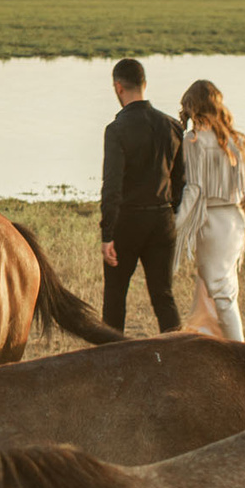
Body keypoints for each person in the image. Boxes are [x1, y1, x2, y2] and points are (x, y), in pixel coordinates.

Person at [100, 58, 184, 333]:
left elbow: (111, 186)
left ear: (118, 87)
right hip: (161, 219)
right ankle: (177, 356)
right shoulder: (172, 126)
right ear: (144, 84)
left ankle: (110, 360)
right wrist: (171, 214)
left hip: (127, 220)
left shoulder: (116, 130)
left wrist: (107, 234)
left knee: (115, 296)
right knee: (163, 296)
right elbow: (180, 180)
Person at [173, 78, 245, 342]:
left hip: (212, 222)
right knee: (219, 286)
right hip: (235, 221)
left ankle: (241, 353)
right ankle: (212, 340)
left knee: (221, 293)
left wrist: (174, 225)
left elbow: (194, 190)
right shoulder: (234, 141)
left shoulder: (194, 140)